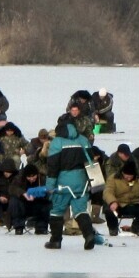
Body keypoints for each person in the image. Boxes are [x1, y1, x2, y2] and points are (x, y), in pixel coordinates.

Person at [43, 107, 102, 249]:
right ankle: (88, 236)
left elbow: (52, 167)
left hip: (63, 183)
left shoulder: (57, 142)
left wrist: (49, 187)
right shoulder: (83, 140)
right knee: (81, 211)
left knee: (56, 211)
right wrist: (97, 183)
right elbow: (91, 161)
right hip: (81, 182)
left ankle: (55, 241)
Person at [101, 149, 139, 237]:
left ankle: (135, 228)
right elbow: (108, 191)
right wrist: (112, 202)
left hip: (135, 204)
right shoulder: (113, 178)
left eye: (130, 177)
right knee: (109, 210)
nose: (127, 178)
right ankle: (113, 230)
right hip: (119, 204)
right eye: (125, 176)